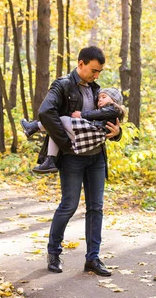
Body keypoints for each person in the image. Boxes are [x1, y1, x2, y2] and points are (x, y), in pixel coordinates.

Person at [33, 46, 121, 277]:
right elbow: (45, 112)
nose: (97, 75)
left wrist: (117, 132)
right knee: (69, 205)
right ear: (80, 63)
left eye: (100, 71)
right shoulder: (62, 85)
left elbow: (106, 119)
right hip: (72, 159)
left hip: (96, 158)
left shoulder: (97, 89)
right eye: (93, 70)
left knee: (96, 208)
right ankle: (54, 253)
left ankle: (93, 259)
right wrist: (65, 144)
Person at [21, 87, 125, 174]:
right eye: (99, 98)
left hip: (95, 132)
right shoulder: (107, 111)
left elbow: (99, 114)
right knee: (56, 128)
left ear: (115, 100)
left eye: (104, 97)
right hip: (93, 134)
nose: (100, 100)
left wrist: (81, 115)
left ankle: (34, 127)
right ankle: (51, 159)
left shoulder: (114, 109)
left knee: (60, 121)